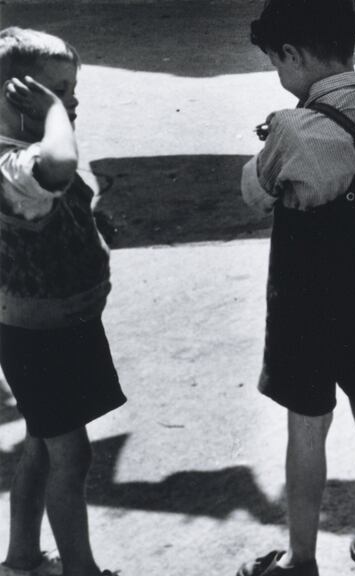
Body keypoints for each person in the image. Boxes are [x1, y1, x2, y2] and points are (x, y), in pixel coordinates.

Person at [238, 0, 355, 575]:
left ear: (292, 53)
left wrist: (273, 141)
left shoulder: (294, 128)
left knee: (308, 423)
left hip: (307, 289)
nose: (279, 74)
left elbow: (256, 191)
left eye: (277, 62)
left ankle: (300, 560)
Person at [0, 27, 124, 576]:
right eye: (55, 89)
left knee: (41, 445)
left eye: (71, 88)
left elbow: (65, 195)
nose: (70, 99)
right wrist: (54, 114)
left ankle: (22, 557)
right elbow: (57, 169)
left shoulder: (30, 154)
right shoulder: (15, 164)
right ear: (13, 95)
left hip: (61, 324)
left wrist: (92, 224)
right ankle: (81, 570)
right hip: (39, 335)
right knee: (72, 457)